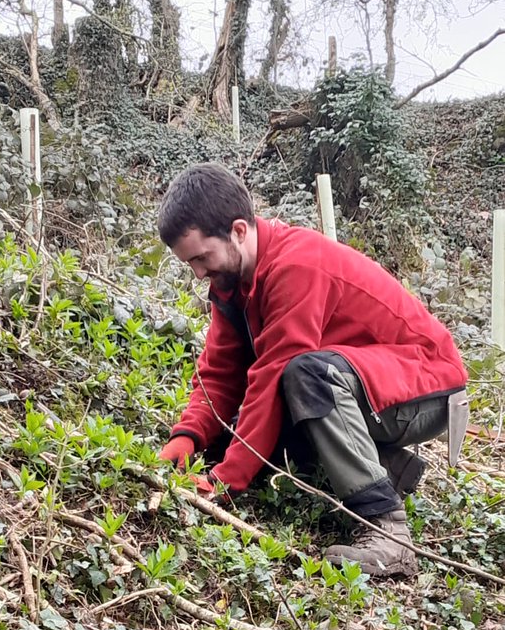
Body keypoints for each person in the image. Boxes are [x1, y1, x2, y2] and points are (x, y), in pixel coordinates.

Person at [156, 163, 468, 578]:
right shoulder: (232, 283)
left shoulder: (295, 265)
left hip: (427, 387)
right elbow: (219, 373)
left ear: (238, 231)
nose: (198, 273)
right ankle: (387, 465)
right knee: (245, 422)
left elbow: (272, 377)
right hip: (368, 384)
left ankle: (388, 532)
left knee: (308, 376)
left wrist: (224, 483)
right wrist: (187, 437)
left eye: (201, 257)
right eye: (188, 263)